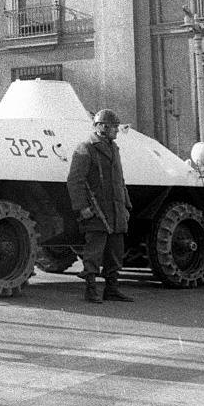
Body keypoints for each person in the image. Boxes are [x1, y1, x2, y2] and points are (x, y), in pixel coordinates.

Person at [67, 109, 134, 304]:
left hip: (115, 210)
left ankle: (112, 289)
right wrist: (82, 208)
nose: (117, 131)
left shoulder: (114, 148)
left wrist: (126, 207)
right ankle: (91, 290)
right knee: (94, 253)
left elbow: (120, 181)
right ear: (103, 127)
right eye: (114, 127)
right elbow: (75, 181)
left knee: (115, 252)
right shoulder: (86, 147)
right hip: (97, 211)